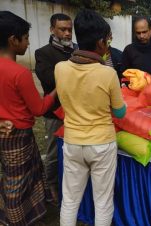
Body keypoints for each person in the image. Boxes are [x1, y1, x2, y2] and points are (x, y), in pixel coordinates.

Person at [55, 9, 126, 226]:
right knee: (103, 202)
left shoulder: (60, 68)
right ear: (100, 42)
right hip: (101, 144)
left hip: (73, 142)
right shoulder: (107, 73)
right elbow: (120, 112)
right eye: (107, 40)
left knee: (70, 200)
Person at [0, 11, 56, 225]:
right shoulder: (19, 73)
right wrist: (56, 90)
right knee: (17, 181)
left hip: (5, 132)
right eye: (25, 38)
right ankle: (14, 219)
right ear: (13, 40)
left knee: (15, 174)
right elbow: (39, 108)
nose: (28, 43)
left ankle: (30, 212)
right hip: (18, 135)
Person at [35, 13, 76, 203]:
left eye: (70, 29)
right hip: (54, 113)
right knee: (53, 153)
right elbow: (49, 80)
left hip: (76, 112)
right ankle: (51, 187)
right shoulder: (43, 53)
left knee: (74, 151)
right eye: (63, 29)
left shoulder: (77, 50)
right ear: (52, 30)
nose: (67, 33)